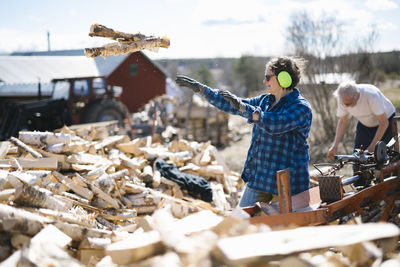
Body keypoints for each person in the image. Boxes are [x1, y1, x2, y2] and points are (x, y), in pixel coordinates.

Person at [175, 56, 312, 207]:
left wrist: (247, 110)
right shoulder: (265, 100)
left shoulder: (301, 108)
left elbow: (275, 123)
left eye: (268, 77)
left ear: (283, 78)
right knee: (241, 222)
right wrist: (203, 90)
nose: (264, 81)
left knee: (284, 228)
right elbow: (234, 104)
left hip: (288, 185)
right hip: (261, 179)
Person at [327, 81, 396, 162]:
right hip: (365, 123)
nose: (346, 106)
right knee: (357, 157)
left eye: (348, 104)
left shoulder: (371, 95)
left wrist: (372, 147)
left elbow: (384, 123)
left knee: (382, 159)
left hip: (386, 122)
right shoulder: (343, 98)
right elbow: (342, 121)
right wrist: (335, 146)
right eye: (344, 103)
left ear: (355, 96)